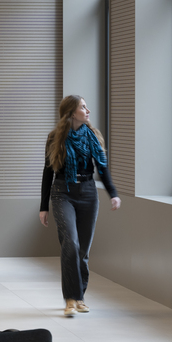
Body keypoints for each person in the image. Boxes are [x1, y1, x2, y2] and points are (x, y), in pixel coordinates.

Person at [39, 95, 120, 317]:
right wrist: (43, 206)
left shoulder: (92, 136)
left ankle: (80, 297)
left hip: (88, 193)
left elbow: (102, 168)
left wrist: (113, 193)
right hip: (62, 192)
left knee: (83, 251)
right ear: (71, 113)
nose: (88, 111)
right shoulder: (54, 138)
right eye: (83, 107)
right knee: (70, 244)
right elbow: (48, 172)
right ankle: (71, 299)